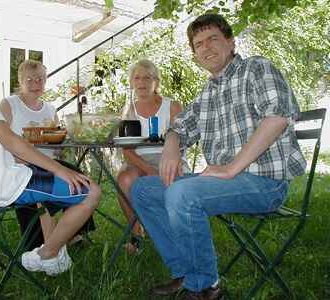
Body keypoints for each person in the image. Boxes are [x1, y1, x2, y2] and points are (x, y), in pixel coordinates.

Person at [130, 14, 306, 300]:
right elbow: (179, 127)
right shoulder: (207, 92)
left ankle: (204, 289)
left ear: (231, 42)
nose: (206, 47)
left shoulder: (256, 68)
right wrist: (173, 143)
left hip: (264, 182)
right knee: (143, 189)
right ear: (195, 54)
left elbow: (278, 117)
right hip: (223, 180)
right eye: (198, 44)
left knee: (183, 193)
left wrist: (231, 168)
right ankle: (185, 272)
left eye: (213, 38)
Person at [0, 20, 101, 276]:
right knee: (91, 192)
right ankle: (46, 254)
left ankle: (52, 246)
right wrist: (60, 170)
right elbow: (11, 140)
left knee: (65, 181)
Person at [0, 59, 95, 250]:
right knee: (31, 187)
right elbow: (0, 138)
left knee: (77, 176)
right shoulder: (9, 104)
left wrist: (60, 142)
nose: (36, 84)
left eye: (40, 79)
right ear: (20, 80)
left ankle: (74, 232)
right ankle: (38, 244)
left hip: (49, 162)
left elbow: (57, 140)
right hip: (20, 164)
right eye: (30, 80)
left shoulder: (50, 109)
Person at [116, 59, 185, 254]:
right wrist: (149, 170)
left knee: (171, 179)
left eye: (147, 77)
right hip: (139, 161)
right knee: (124, 179)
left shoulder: (172, 106)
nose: (142, 82)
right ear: (131, 82)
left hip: (170, 158)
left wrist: (164, 166)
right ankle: (137, 235)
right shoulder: (129, 110)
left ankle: (175, 233)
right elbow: (128, 151)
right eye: (137, 78)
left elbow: (182, 141)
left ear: (156, 82)